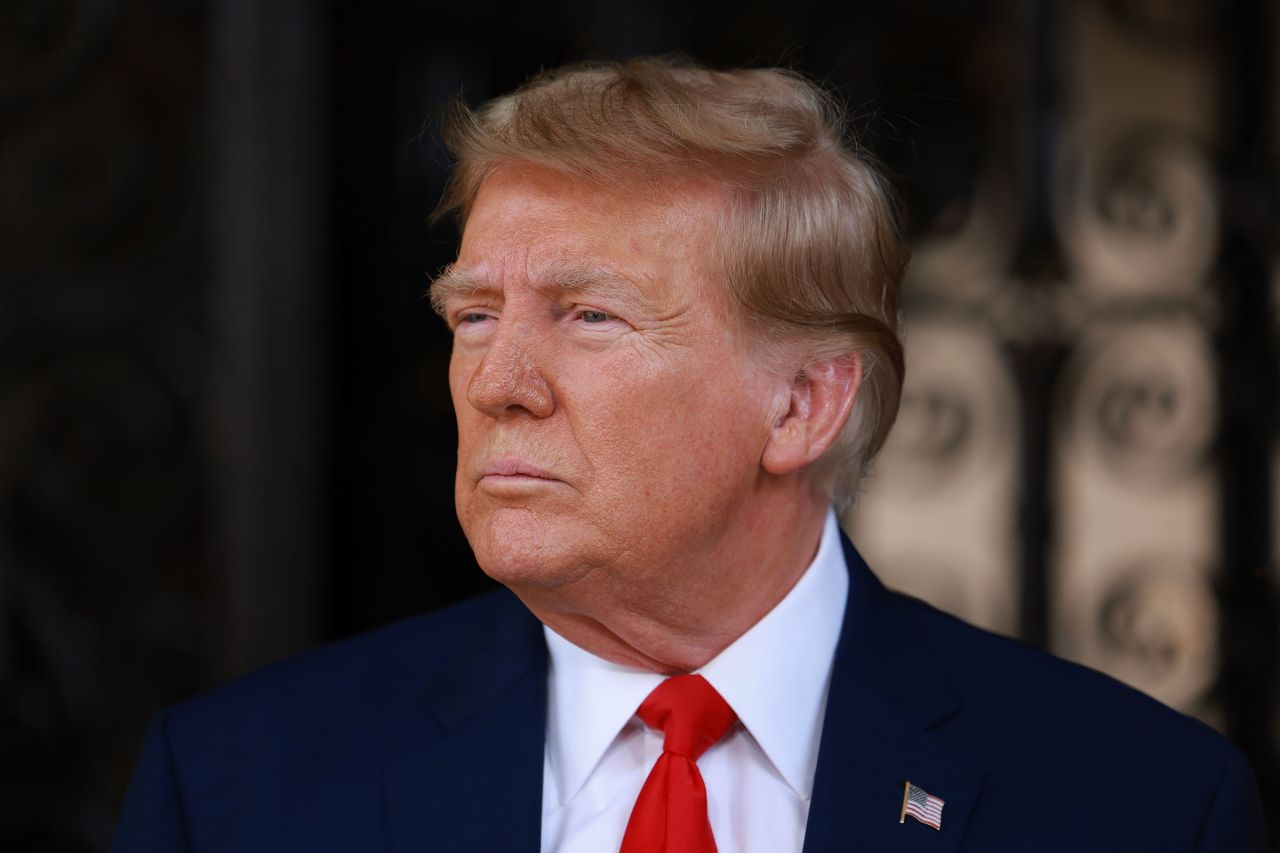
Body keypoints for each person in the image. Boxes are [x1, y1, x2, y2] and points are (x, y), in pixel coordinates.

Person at [112, 57, 1268, 852]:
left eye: (588, 316)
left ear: (802, 407)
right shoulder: (237, 790)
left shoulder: (1137, 805)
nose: (495, 382)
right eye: (473, 314)